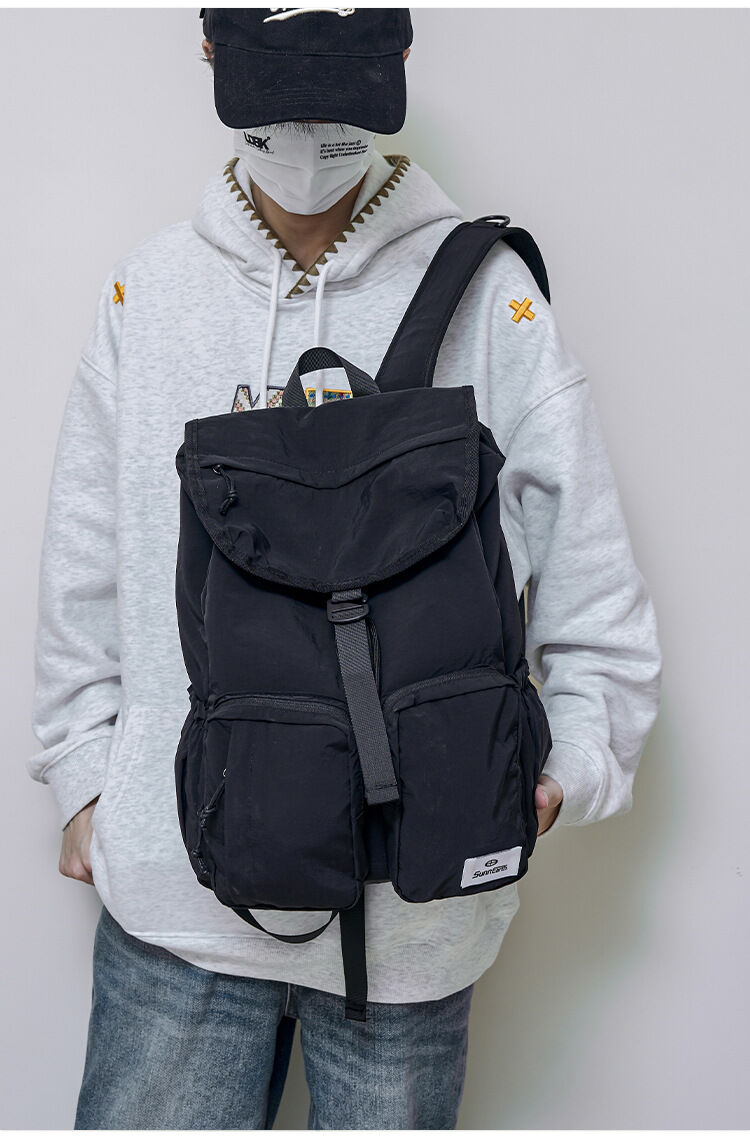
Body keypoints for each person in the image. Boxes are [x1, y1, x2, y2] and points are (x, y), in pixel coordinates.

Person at [28, 8, 662, 1130]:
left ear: (399, 60)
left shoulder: (491, 298)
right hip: (177, 904)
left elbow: (590, 574)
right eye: (278, 95)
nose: (306, 135)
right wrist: (85, 775)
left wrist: (569, 765)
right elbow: (87, 552)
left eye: (336, 94)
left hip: (417, 916)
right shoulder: (152, 290)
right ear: (211, 53)